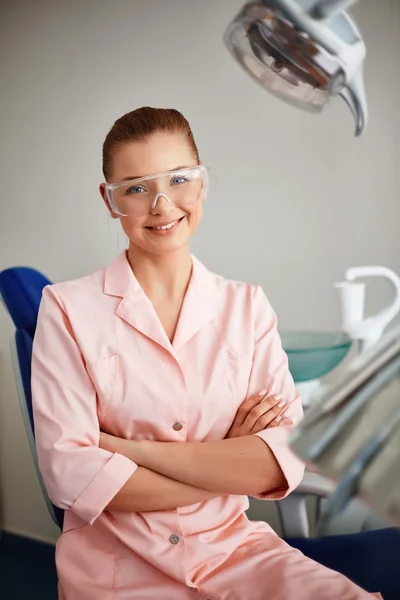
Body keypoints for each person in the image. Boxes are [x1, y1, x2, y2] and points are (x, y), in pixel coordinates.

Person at [31, 107, 382, 599]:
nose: (161, 204)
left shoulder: (247, 306)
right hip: (116, 569)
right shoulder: (67, 308)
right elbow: (69, 476)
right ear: (110, 202)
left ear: (202, 184)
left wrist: (126, 451)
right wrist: (228, 466)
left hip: (234, 552)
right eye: (135, 187)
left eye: (178, 179)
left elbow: (285, 459)